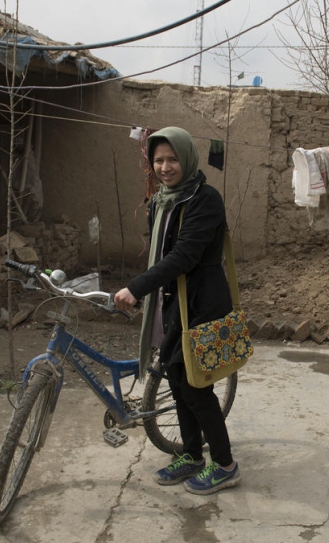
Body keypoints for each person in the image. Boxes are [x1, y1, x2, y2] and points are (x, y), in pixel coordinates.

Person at [114, 127, 241, 495]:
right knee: (174, 379)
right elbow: (162, 254)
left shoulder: (205, 200)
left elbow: (184, 256)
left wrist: (137, 288)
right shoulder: (161, 201)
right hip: (171, 303)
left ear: (187, 158)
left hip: (201, 303)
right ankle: (191, 454)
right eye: (158, 160)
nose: (165, 167)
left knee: (196, 388)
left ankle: (225, 464)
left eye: (172, 159)